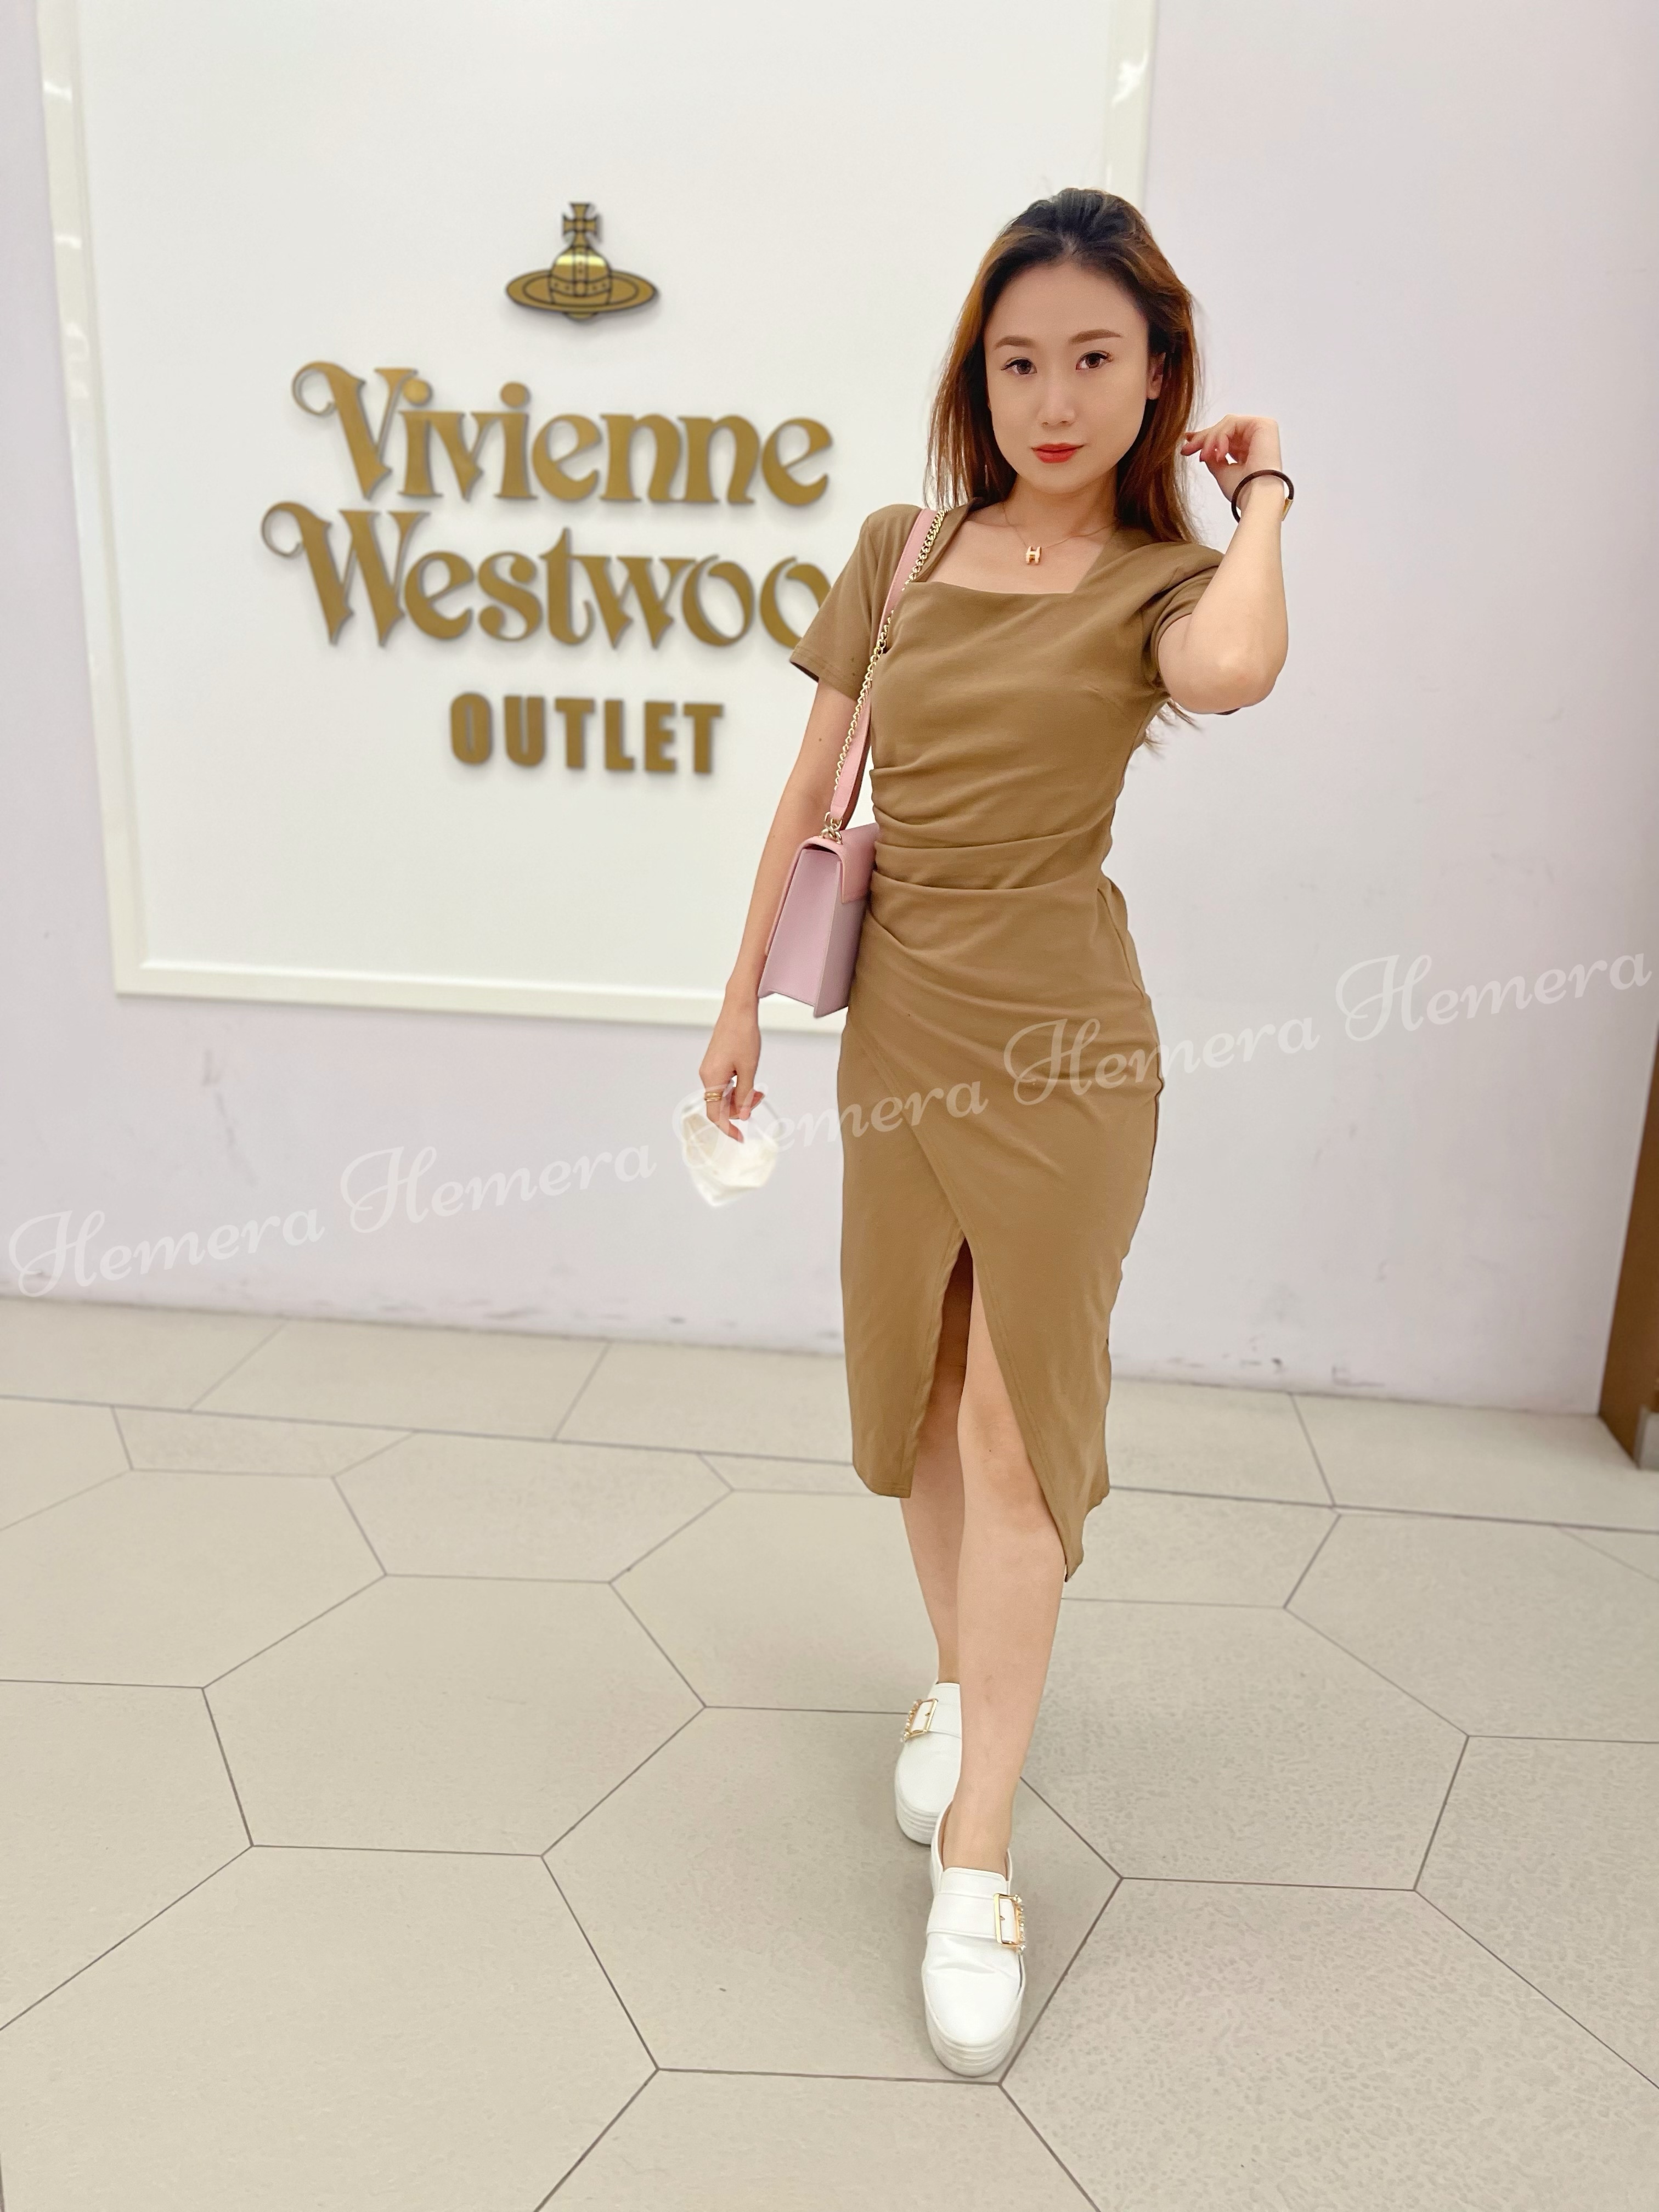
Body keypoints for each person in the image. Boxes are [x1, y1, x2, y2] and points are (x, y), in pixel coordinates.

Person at [698, 186, 1289, 2075]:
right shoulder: (904, 548)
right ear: (980, 374)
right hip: (901, 1030)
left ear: (1157, 377)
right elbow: (814, 789)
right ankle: (961, 1682)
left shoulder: (1162, 584)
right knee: (923, 1389)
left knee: (1015, 1431)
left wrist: (1267, 497)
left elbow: (1235, 673)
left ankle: (979, 1864)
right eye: (1020, 359)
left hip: (1066, 1053)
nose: (1053, 397)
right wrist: (739, 1003)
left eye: (1095, 359)